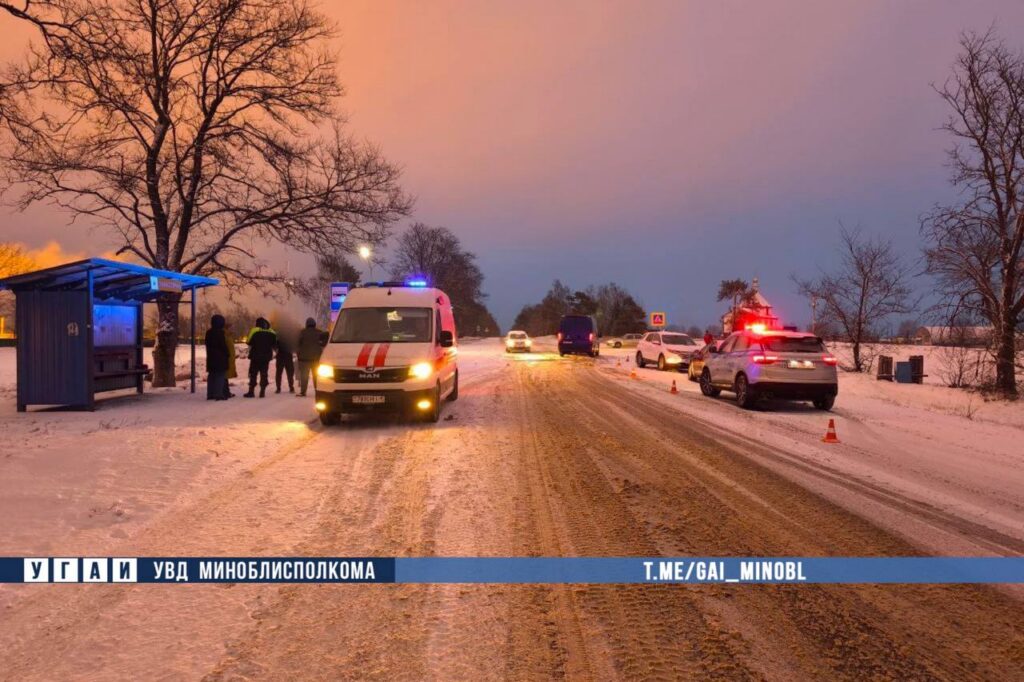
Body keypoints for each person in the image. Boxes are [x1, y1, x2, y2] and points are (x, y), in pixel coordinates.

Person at [244, 317, 277, 398]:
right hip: (266, 357)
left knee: (253, 373)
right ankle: (262, 391)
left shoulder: (254, 330)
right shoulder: (272, 332)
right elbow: (275, 344)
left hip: (255, 356)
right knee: (264, 373)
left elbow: (248, 342)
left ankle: (251, 391)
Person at [296, 317, 328, 397]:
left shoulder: (302, 332)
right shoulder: (319, 333)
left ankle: (303, 392)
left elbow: (297, 344)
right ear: (314, 324)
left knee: (304, 376)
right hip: (316, 359)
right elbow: (324, 342)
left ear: (307, 324)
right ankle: (317, 391)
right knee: (316, 376)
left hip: (304, 359)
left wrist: (298, 354)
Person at [204, 314, 230, 400]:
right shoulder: (220, 333)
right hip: (220, 358)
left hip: (211, 357)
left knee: (212, 375)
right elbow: (222, 345)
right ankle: (218, 394)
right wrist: (227, 353)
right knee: (220, 375)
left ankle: (210, 394)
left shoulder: (208, 333)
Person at [223, 321, 237, 398]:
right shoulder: (225, 336)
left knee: (226, 376)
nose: (233, 329)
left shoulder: (229, 336)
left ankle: (226, 392)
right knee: (225, 376)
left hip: (230, 359)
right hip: (227, 359)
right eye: (232, 327)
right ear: (227, 328)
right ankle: (225, 392)